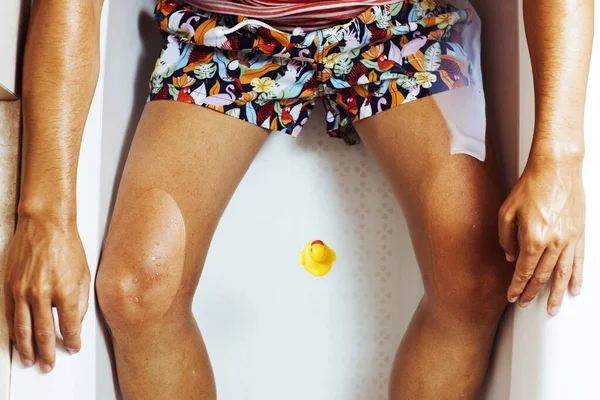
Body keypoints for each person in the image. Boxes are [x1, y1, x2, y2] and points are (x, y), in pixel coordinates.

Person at [3, 0, 592, 399]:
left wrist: (560, 159)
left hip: (399, 21)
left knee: (476, 273)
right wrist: (44, 215)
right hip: (227, 28)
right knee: (137, 289)